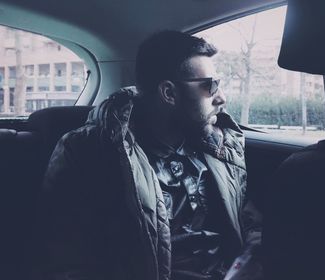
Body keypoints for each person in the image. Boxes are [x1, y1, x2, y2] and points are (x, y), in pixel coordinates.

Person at [40, 30, 262, 280]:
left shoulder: (215, 145)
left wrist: (253, 258)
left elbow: (246, 218)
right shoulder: (87, 152)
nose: (222, 98)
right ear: (169, 93)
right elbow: (69, 261)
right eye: (210, 86)